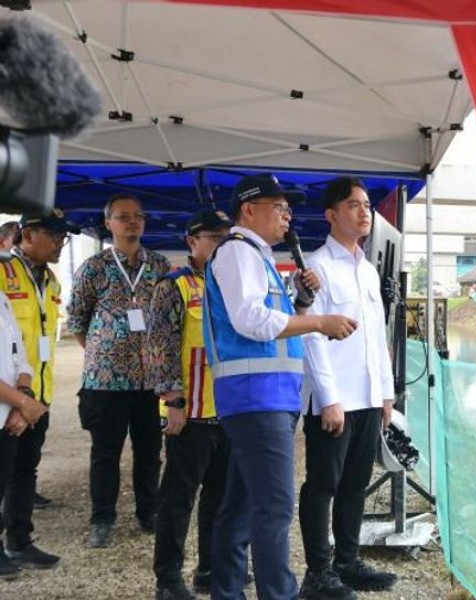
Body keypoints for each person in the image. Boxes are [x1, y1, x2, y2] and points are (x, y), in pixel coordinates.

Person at [203, 173, 357, 600]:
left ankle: (228, 592)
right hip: (256, 397)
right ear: (249, 210)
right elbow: (251, 321)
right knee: (273, 507)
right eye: (279, 207)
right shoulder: (237, 252)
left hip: (265, 397)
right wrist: (318, 321)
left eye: (289, 208)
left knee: (239, 507)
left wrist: (301, 301)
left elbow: (272, 321)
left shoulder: (257, 255)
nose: (288, 215)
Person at [298, 177, 397, 599]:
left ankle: (347, 561)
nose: (364, 212)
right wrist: (328, 399)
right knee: (323, 484)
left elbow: (377, 336)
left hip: (367, 396)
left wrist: (386, 394)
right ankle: (317, 573)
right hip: (334, 401)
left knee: (356, 482)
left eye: (367, 205)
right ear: (331, 215)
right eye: (354, 205)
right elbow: (311, 336)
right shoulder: (316, 268)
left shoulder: (369, 271)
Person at [67, 194, 171, 548]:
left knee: (149, 451)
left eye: (138, 216)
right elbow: (77, 320)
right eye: (123, 217)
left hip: (149, 381)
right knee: (105, 454)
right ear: (108, 222)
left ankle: (149, 512)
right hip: (105, 382)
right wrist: (103, 352)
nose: (132, 222)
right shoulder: (94, 268)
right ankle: (102, 519)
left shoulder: (158, 265)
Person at [148, 210, 234, 600]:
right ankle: (168, 579)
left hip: (230, 411)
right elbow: (159, 348)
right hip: (191, 414)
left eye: (226, 237)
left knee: (219, 497)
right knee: (177, 500)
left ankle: (210, 569)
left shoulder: (234, 284)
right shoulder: (174, 286)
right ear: (192, 241)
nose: (221, 244)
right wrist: (173, 401)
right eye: (213, 237)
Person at [0, 210, 79, 570]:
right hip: (7, 398)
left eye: (64, 237)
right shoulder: (3, 273)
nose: (61, 243)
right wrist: (18, 401)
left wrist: (32, 399)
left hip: (37, 393)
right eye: (55, 235)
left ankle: (20, 540)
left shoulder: (50, 280)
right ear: (28, 235)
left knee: (25, 472)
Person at [0, 290, 46, 581]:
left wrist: (24, 397)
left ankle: (16, 542)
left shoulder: (2, 297)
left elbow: (21, 353)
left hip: (10, 411)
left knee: (11, 476)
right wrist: (22, 402)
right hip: (11, 405)